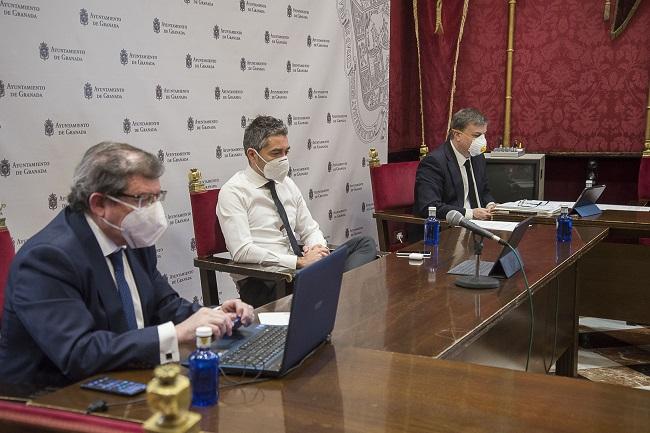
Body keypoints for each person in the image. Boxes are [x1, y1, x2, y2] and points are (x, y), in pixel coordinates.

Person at [0, 142, 254, 388]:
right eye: (143, 200)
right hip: (50, 401)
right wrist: (174, 335)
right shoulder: (48, 259)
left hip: (122, 378)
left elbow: (165, 305)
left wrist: (215, 316)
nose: (153, 212)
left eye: (157, 198)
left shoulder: (133, 235)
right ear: (99, 204)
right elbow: (79, 353)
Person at [217, 115, 377, 307]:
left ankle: (334, 292)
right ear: (252, 155)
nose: (284, 159)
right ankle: (336, 294)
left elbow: (309, 228)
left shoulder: (286, 184)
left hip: (300, 270)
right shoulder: (233, 191)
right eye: (276, 153)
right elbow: (242, 251)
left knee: (364, 244)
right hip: (266, 281)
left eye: (286, 152)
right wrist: (297, 262)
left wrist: (317, 249)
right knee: (344, 282)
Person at [414, 108, 496, 221]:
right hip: (448, 227)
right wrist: (470, 213)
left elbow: (484, 191)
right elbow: (429, 206)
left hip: (480, 225)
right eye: (477, 135)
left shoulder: (478, 156)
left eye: (483, 135)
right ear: (457, 135)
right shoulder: (434, 162)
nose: (482, 140)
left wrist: (490, 204)